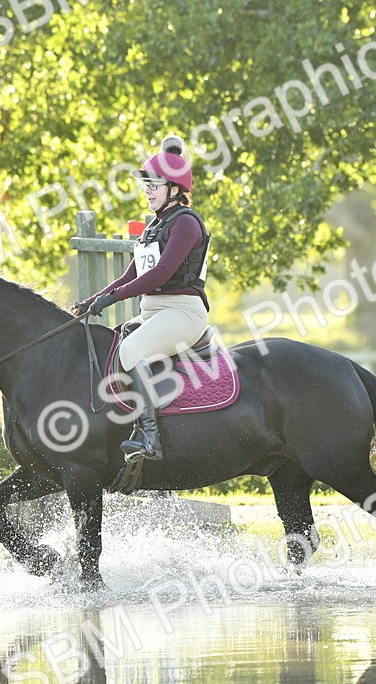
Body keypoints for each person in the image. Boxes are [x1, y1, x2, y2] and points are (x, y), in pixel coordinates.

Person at [73, 134, 212, 462]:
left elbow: (161, 274)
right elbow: (130, 276)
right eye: (146, 185)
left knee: (131, 349)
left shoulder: (186, 224)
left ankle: (150, 438)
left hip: (183, 312)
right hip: (154, 312)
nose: (147, 190)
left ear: (175, 190)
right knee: (111, 348)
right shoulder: (154, 226)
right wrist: (92, 301)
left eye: (154, 185)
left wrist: (114, 299)